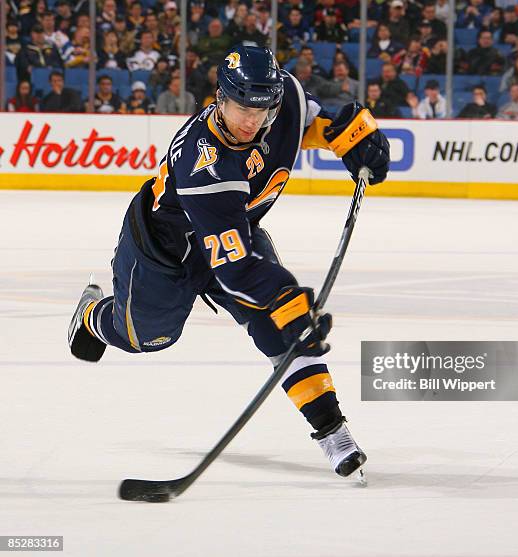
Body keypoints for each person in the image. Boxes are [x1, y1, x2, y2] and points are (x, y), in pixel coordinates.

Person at [68, 46, 389, 478]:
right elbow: (235, 267)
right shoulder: (205, 162)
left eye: (261, 110)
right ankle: (93, 317)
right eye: (241, 108)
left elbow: (318, 121)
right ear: (220, 98)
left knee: (280, 330)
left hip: (236, 229)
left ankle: (333, 432)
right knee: (148, 337)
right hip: (165, 249)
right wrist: (289, 302)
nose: (250, 121)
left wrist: (357, 137)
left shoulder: (284, 99)